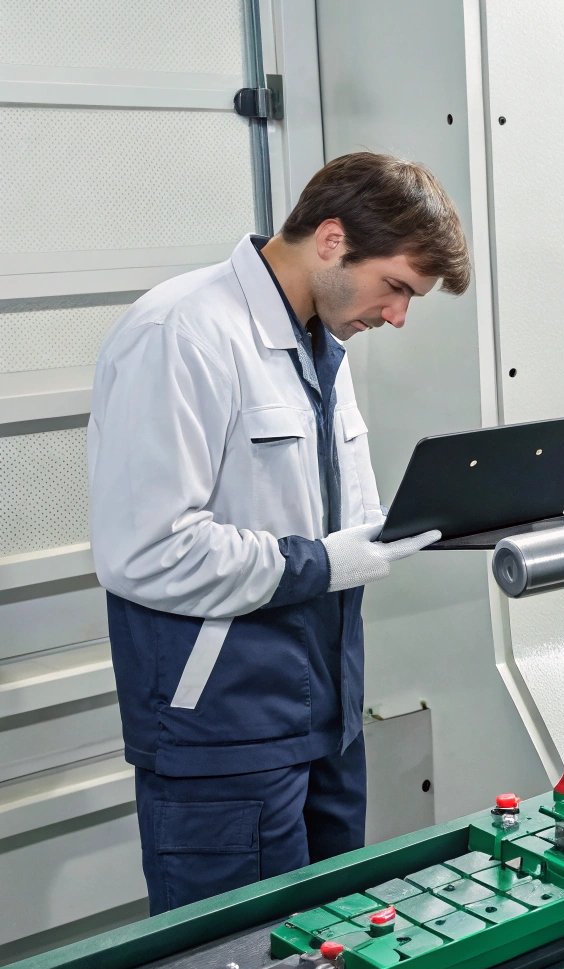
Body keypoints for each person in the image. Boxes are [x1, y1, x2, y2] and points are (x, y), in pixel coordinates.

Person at [88, 152, 466, 913]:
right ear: (332, 240)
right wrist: (319, 564)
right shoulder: (181, 333)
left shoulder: (324, 345)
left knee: (328, 956)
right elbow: (146, 549)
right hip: (222, 737)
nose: (397, 316)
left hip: (325, 720)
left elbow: (334, 520)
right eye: (396, 287)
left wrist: (441, 519)